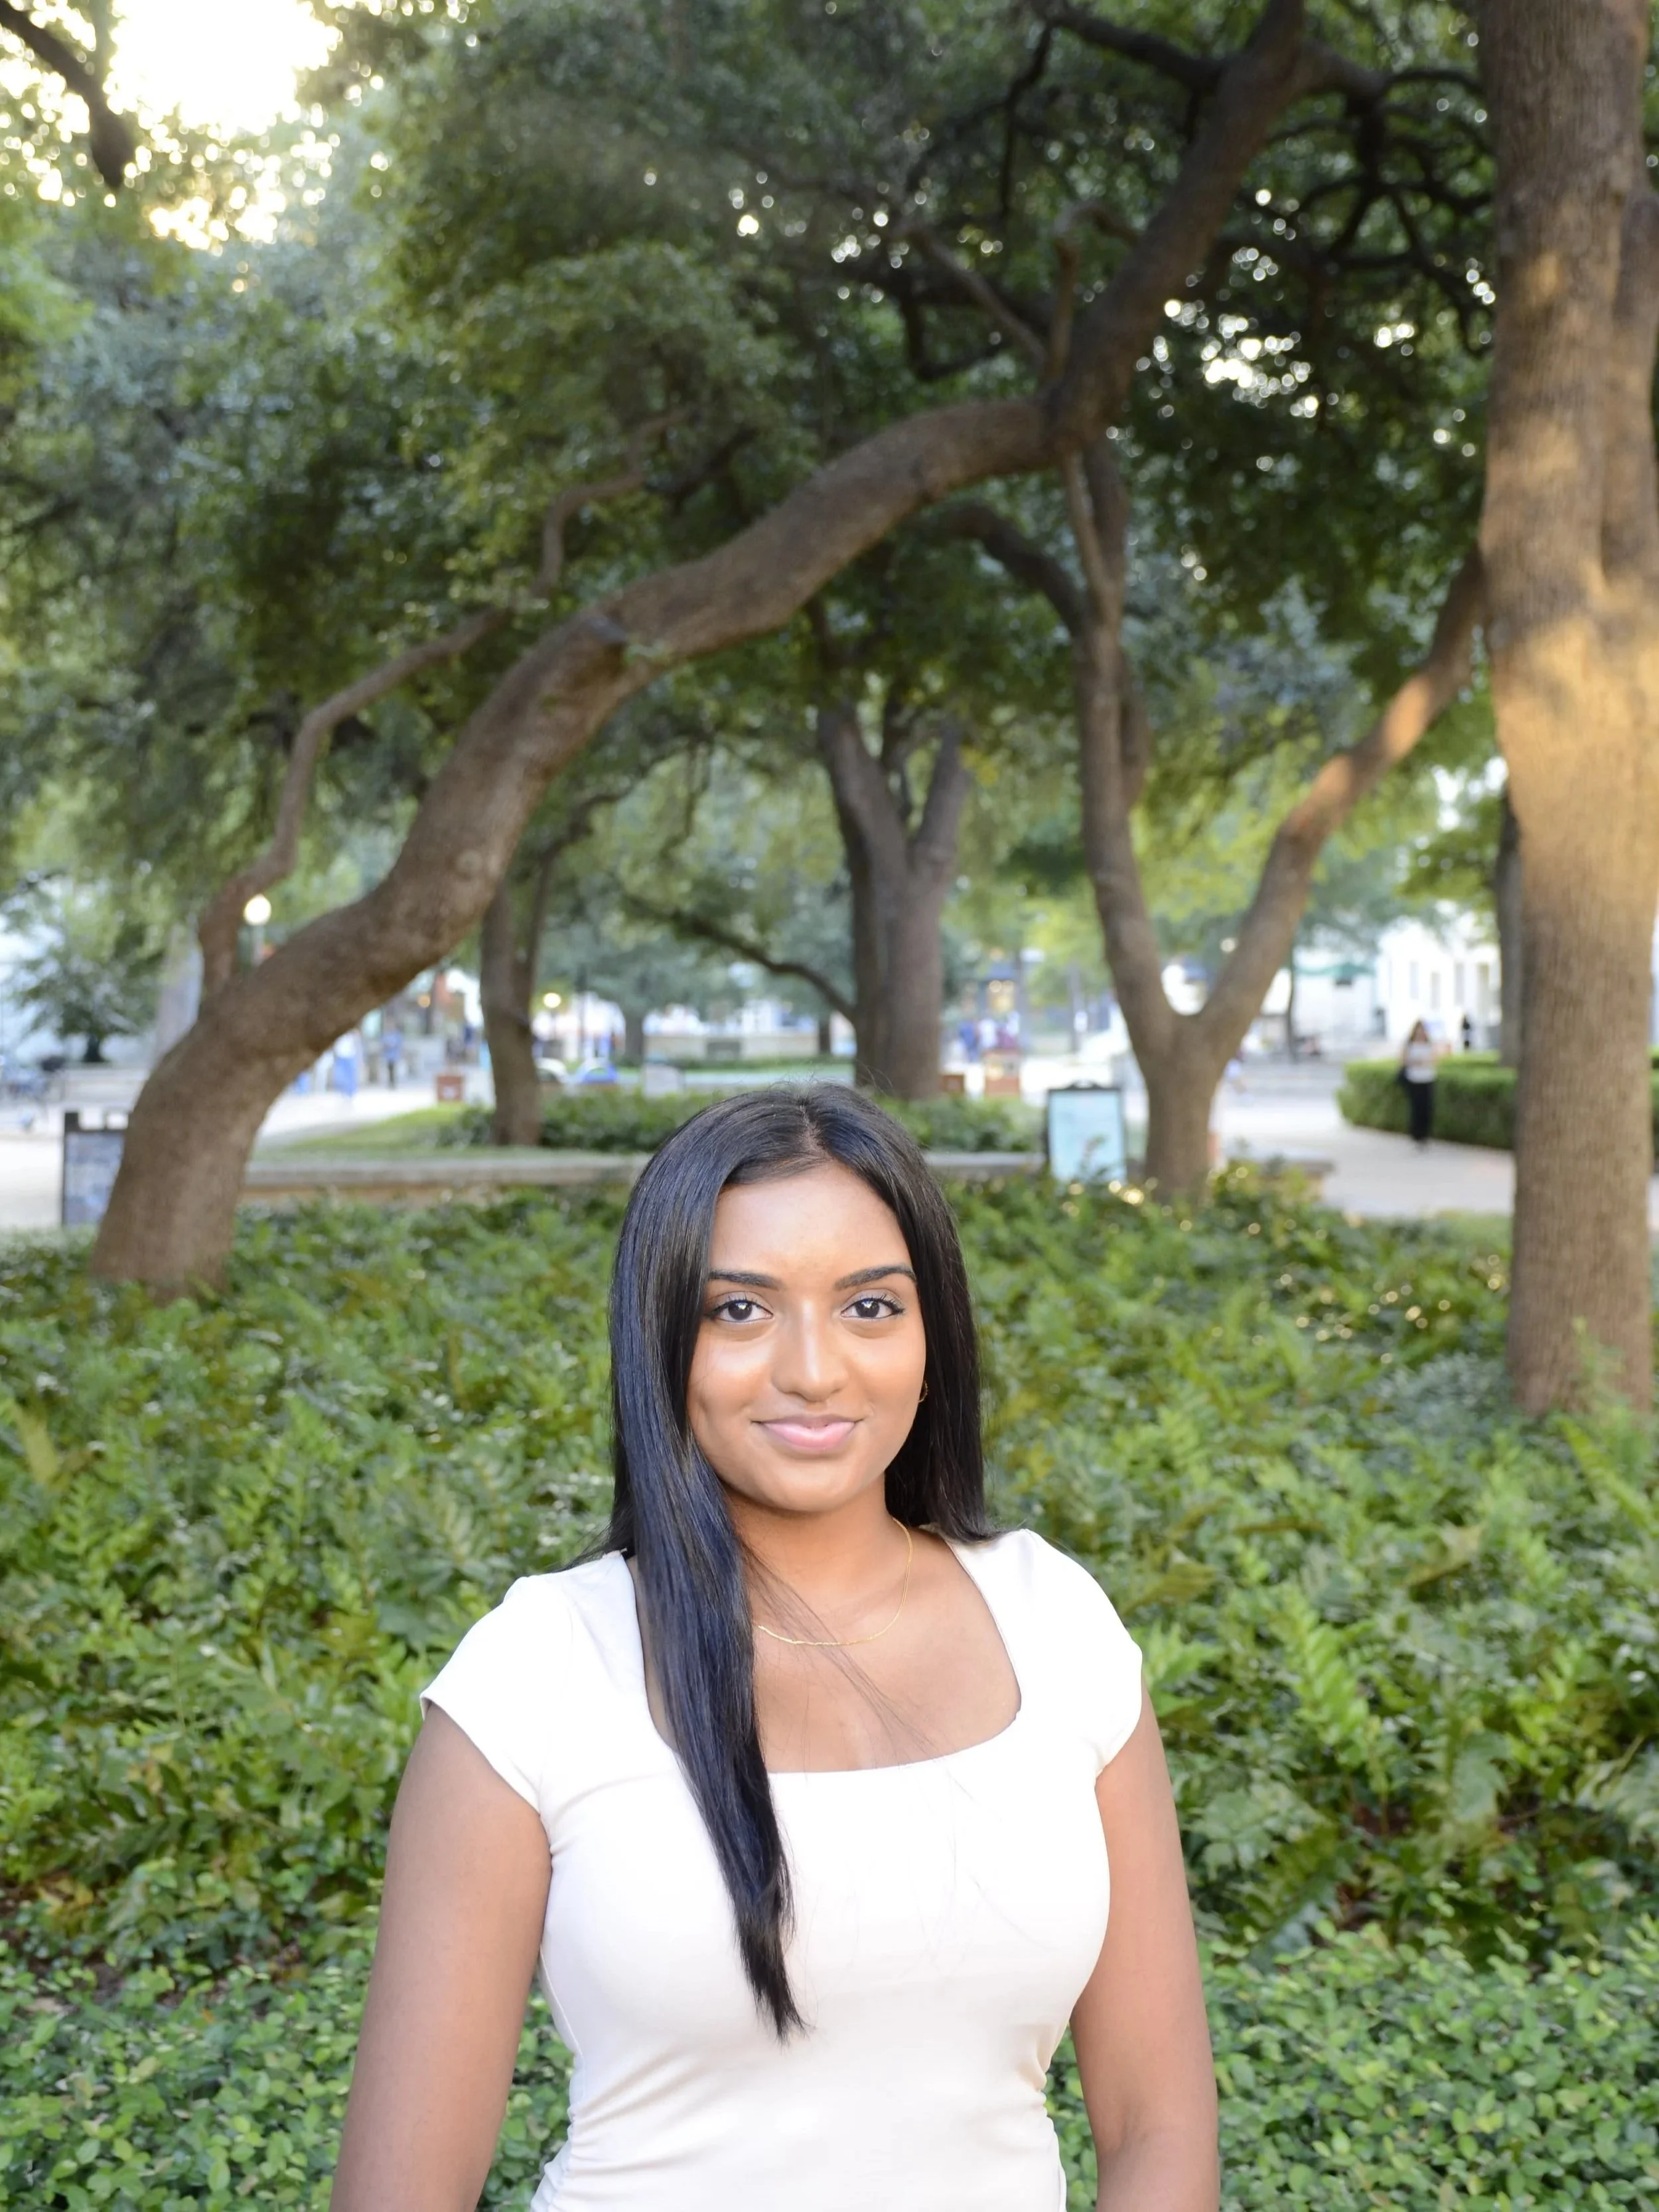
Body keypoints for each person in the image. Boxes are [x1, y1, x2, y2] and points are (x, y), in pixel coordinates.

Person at [330, 1089, 1218, 2212]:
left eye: (871, 1306)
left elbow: (1160, 2124)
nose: (813, 1367)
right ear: (662, 1343)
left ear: (932, 1337)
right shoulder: (536, 1674)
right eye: (741, 1308)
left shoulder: (1058, 1627)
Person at [1400, 1017, 1440, 1147]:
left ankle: (1425, 1134)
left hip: (1427, 1078)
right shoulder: (1409, 1045)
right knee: (1416, 1108)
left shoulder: (1429, 1044)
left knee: (1427, 1108)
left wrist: (1425, 1062)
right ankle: (1416, 1133)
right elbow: (1403, 1060)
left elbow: (1435, 1059)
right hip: (1414, 1079)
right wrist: (1415, 1062)